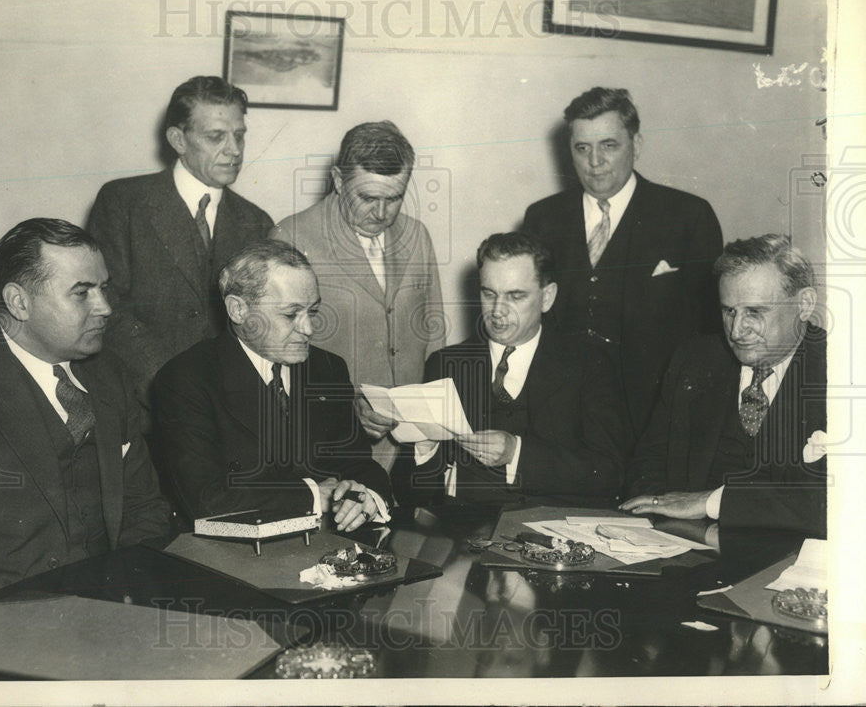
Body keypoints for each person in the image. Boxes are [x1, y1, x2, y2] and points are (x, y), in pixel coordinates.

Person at [0, 219, 172, 623]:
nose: (106, 307)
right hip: (3, 630)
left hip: (114, 615)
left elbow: (145, 510)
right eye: (82, 293)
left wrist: (124, 596)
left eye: (104, 288)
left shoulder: (109, 373)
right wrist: (61, 616)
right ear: (19, 302)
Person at [522, 88, 723, 442]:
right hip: (565, 421)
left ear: (637, 144)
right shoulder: (543, 219)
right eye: (582, 148)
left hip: (655, 422)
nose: (595, 161)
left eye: (609, 145)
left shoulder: (688, 217)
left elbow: (708, 335)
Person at [151, 240, 392, 531]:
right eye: (291, 314)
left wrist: (367, 498)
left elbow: (360, 466)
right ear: (238, 310)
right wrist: (315, 496)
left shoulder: (327, 369)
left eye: (312, 311)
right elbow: (207, 502)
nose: (308, 329)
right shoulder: (187, 379)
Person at [392, 232, 630, 506]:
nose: (497, 311)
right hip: (460, 533)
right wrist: (424, 448)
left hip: (555, 531)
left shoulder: (589, 365)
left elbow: (610, 473)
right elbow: (408, 492)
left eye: (515, 296)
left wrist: (517, 454)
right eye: (488, 293)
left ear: (547, 297)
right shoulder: (445, 364)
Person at [88, 76, 273, 414]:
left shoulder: (257, 222)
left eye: (239, 135)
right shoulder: (123, 202)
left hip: (224, 413)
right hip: (139, 406)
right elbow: (106, 306)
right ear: (178, 139)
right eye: (216, 136)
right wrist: (171, 387)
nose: (234, 150)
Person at [270, 121, 444, 473]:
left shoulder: (417, 235)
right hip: (332, 442)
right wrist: (348, 404)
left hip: (413, 448)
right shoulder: (291, 237)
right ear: (338, 179)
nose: (381, 214)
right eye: (367, 198)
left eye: (394, 199)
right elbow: (276, 358)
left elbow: (434, 333)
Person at [622, 235, 826, 535]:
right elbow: (649, 463)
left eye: (755, 312)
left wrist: (711, 503)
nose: (737, 329)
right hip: (689, 547)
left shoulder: (845, 373)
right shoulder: (695, 361)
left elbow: (837, 504)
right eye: (729, 310)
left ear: (804, 304)